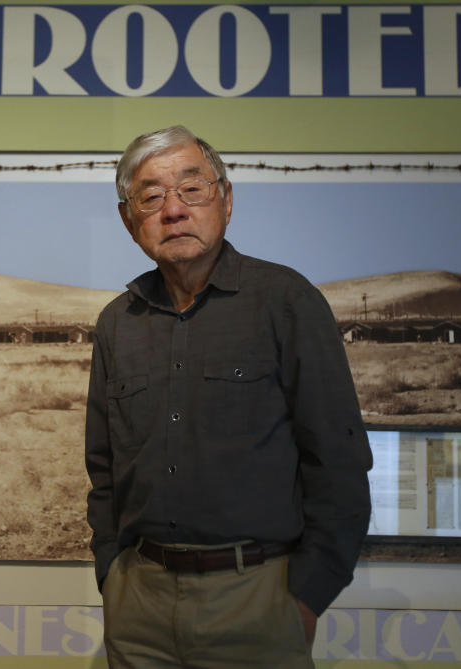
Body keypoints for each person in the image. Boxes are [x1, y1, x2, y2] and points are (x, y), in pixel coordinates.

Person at [85, 125, 372, 668]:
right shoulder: (116, 324)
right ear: (129, 219)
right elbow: (103, 469)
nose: (173, 210)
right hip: (138, 606)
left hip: (258, 600)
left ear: (227, 199)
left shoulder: (286, 302)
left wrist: (305, 598)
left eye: (192, 189)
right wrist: (112, 573)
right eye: (151, 196)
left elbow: (338, 458)